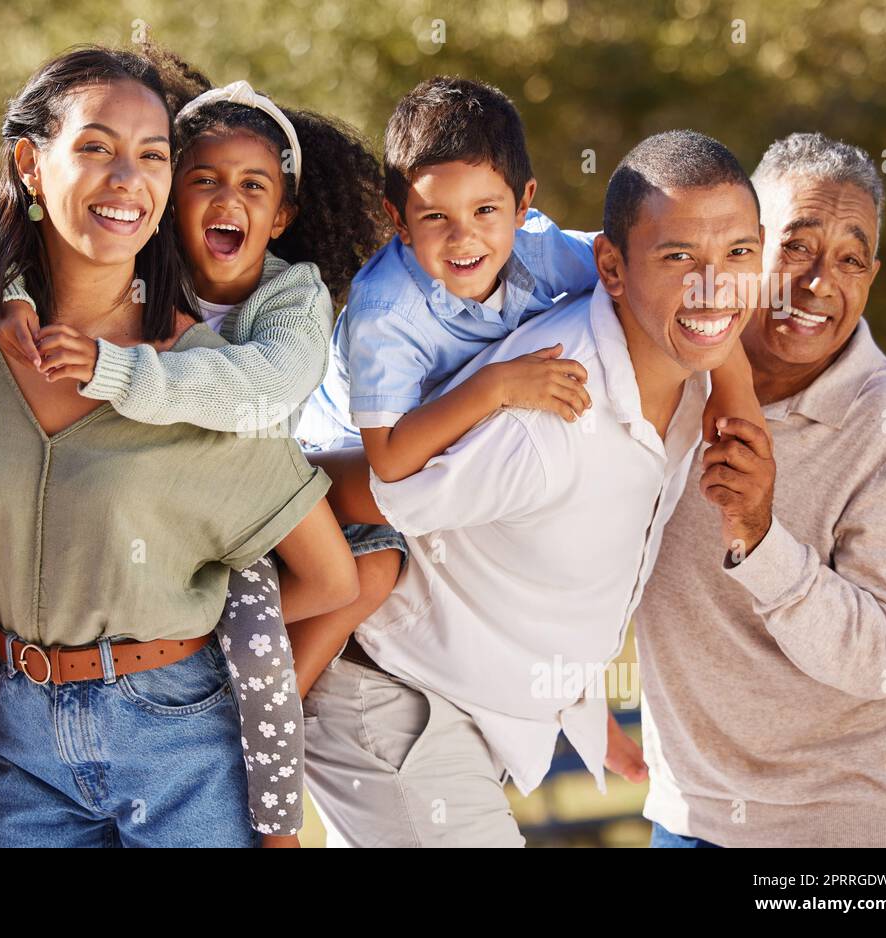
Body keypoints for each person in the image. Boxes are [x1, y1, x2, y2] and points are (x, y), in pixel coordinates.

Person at [0, 45, 356, 848]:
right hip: (5, 741)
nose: (127, 178)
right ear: (29, 164)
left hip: (181, 734)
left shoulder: (209, 378)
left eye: (151, 156)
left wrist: (188, 648)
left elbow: (330, 575)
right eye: (96, 147)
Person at [302, 130, 765, 847]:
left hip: (468, 705)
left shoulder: (686, 361)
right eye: (679, 257)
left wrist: (572, 690)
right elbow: (355, 493)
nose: (714, 284)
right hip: (398, 706)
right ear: (610, 267)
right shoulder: (548, 419)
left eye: (738, 253)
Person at [634, 132, 886, 848]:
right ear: (740, 246)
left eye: (850, 259)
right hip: (689, 810)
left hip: (841, 828)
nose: (819, 285)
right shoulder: (669, 357)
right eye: (796, 247)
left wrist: (760, 536)